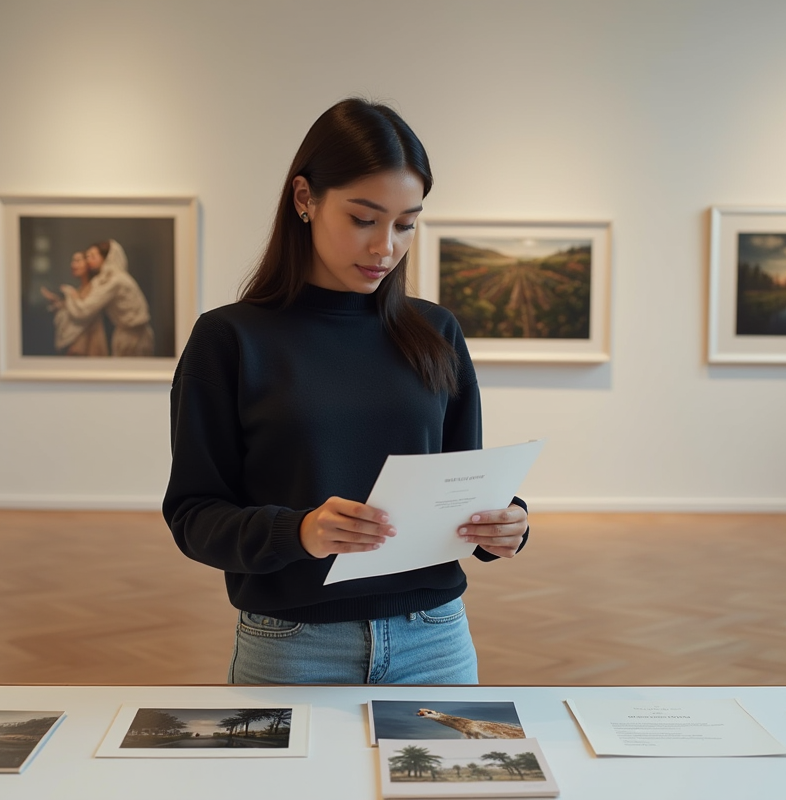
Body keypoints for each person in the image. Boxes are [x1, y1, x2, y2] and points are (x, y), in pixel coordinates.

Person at [162, 98, 529, 686]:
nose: (386, 246)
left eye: (405, 223)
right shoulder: (229, 339)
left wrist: (506, 524)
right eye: (364, 219)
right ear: (304, 199)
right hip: (292, 647)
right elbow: (194, 517)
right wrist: (299, 532)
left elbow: (463, 483)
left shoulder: (437, 332)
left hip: (434, 639)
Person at [56, 239, 155, 357]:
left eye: (93, 256)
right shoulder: (103, 280)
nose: (88, 260)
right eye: (87, 257)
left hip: (134, 338)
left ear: (105, 258)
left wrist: (70, 295)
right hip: (124, 335)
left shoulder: (114, 280)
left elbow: (84, 310)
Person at [41, 251, 109, 356]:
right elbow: (72, 312)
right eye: (73, 261)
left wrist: (70, 295)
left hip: (88, 346)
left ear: (88, 264)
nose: (73, 265)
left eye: (77, 261)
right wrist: (58, 302)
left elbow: (81, 315)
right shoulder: (80, 289)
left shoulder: (94, 288)